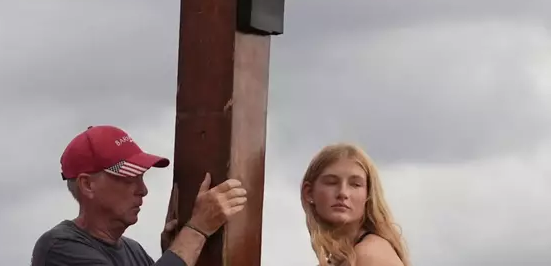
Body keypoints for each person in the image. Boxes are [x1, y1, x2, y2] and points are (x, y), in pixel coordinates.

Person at [30, 125, 247, 266]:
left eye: (141, 178)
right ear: (87, 185)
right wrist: (197, 230)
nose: (143, 190)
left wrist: (177, 250)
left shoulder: (134, 251)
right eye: (128, 178)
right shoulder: (59, 248)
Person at [300, 143, 409, 266]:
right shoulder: (344, 257)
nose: (343, 193)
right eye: (331, 182)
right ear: (308, 192)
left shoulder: (370, 255)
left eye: (355, 184)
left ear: (368, 195)